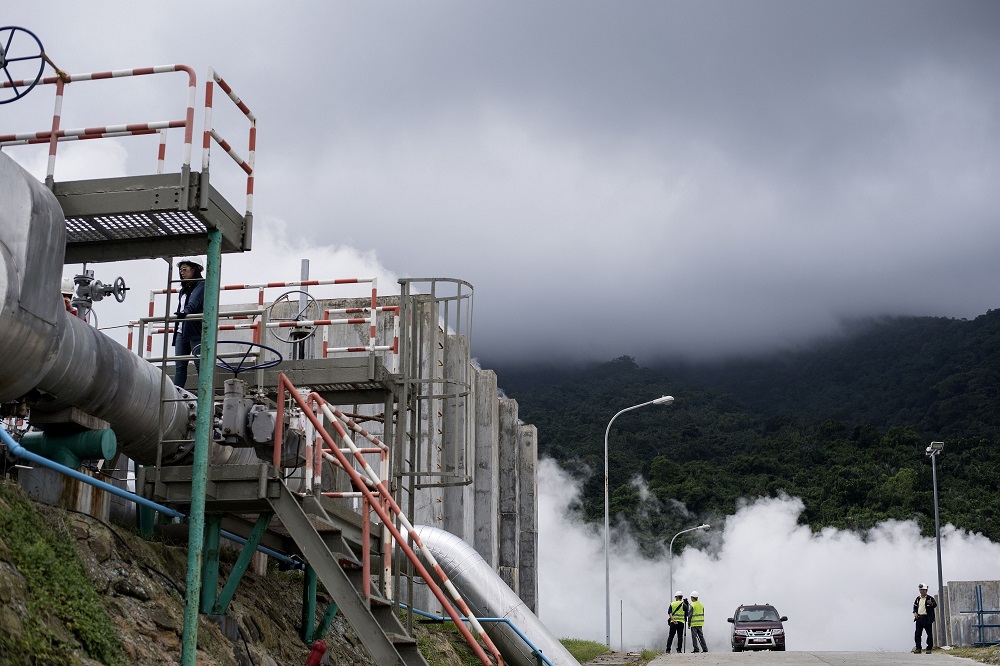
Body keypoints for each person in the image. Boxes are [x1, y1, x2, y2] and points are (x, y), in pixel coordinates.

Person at [172, 260, 205, 388]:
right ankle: (177, 394)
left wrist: (186, 312)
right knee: (180, 367)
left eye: (185, 269)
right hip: (181, 330)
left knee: (199, 365)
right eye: (180, 270)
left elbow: (194, 301)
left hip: (195, 330)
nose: (182, 273)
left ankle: (204, 395)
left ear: (195, 269)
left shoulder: (202, 284)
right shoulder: (183, 290)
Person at [912, 583, 937, 654]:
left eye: (923, 590)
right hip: (919, 618)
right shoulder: (918, 598)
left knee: (929, 634)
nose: (922, 591)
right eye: (921, 590)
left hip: (927, 618)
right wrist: (915, 612)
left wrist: (931, 604)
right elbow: (915, 606)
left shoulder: (930, 598)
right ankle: (918, 648)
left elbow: (935, 605)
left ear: (926, 590)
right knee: (917, 634)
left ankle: (929, 648)